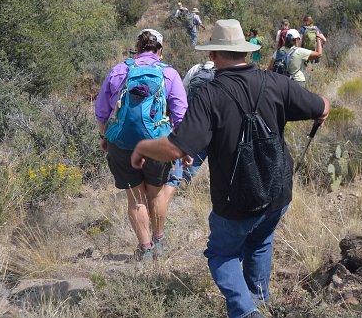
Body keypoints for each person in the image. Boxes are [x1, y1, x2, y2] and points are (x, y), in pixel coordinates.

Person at [131, 19, 330, 318]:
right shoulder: (276, 82)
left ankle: (248, 311)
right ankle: (260, 300)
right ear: (246, 52)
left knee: (222, 254)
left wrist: (142, 147)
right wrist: (322, 108)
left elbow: (177, 148)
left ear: (213, 55)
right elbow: (322, 107)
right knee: (261, 242)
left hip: (234, 200)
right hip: (277, 191)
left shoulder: (209, 95)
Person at [94, 28, 188, 261]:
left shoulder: (119, 70)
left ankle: (145, 248)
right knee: (155, 196)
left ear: (136, 48)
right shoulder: (169, 73)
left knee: (135, 198)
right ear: (160, 50)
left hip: (122, 144)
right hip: (157, 144)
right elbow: (181, 116)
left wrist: (104, 137)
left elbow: (101, 111)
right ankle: (158, 240)